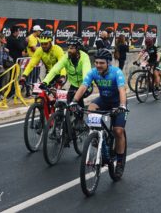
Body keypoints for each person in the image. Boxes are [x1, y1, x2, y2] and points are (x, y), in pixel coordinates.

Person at [69, 48, 127, 178]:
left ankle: (120, 162)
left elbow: (122, 90)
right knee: (91, 108)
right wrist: (74, 101)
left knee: (118, 131)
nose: (98, 65)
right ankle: (96, 137)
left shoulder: (116, 72)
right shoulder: (93, 72)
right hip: (104, 100)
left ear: (108, 63)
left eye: (102, 63)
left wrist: (122, 105)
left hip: (118, 102)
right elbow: (83, 87)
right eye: (96, 62)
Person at [41, 37, 92, 101]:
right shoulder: (66, 57)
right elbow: (55, 68)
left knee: (76, 101)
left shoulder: (84, 57)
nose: (69, 50)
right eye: (68, 48)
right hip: (74, 85)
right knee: (66, 103)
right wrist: (45, 82)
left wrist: (83, 87)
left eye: (71, 48)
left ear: (78, 49)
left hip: (86, 85)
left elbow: (86, 73)